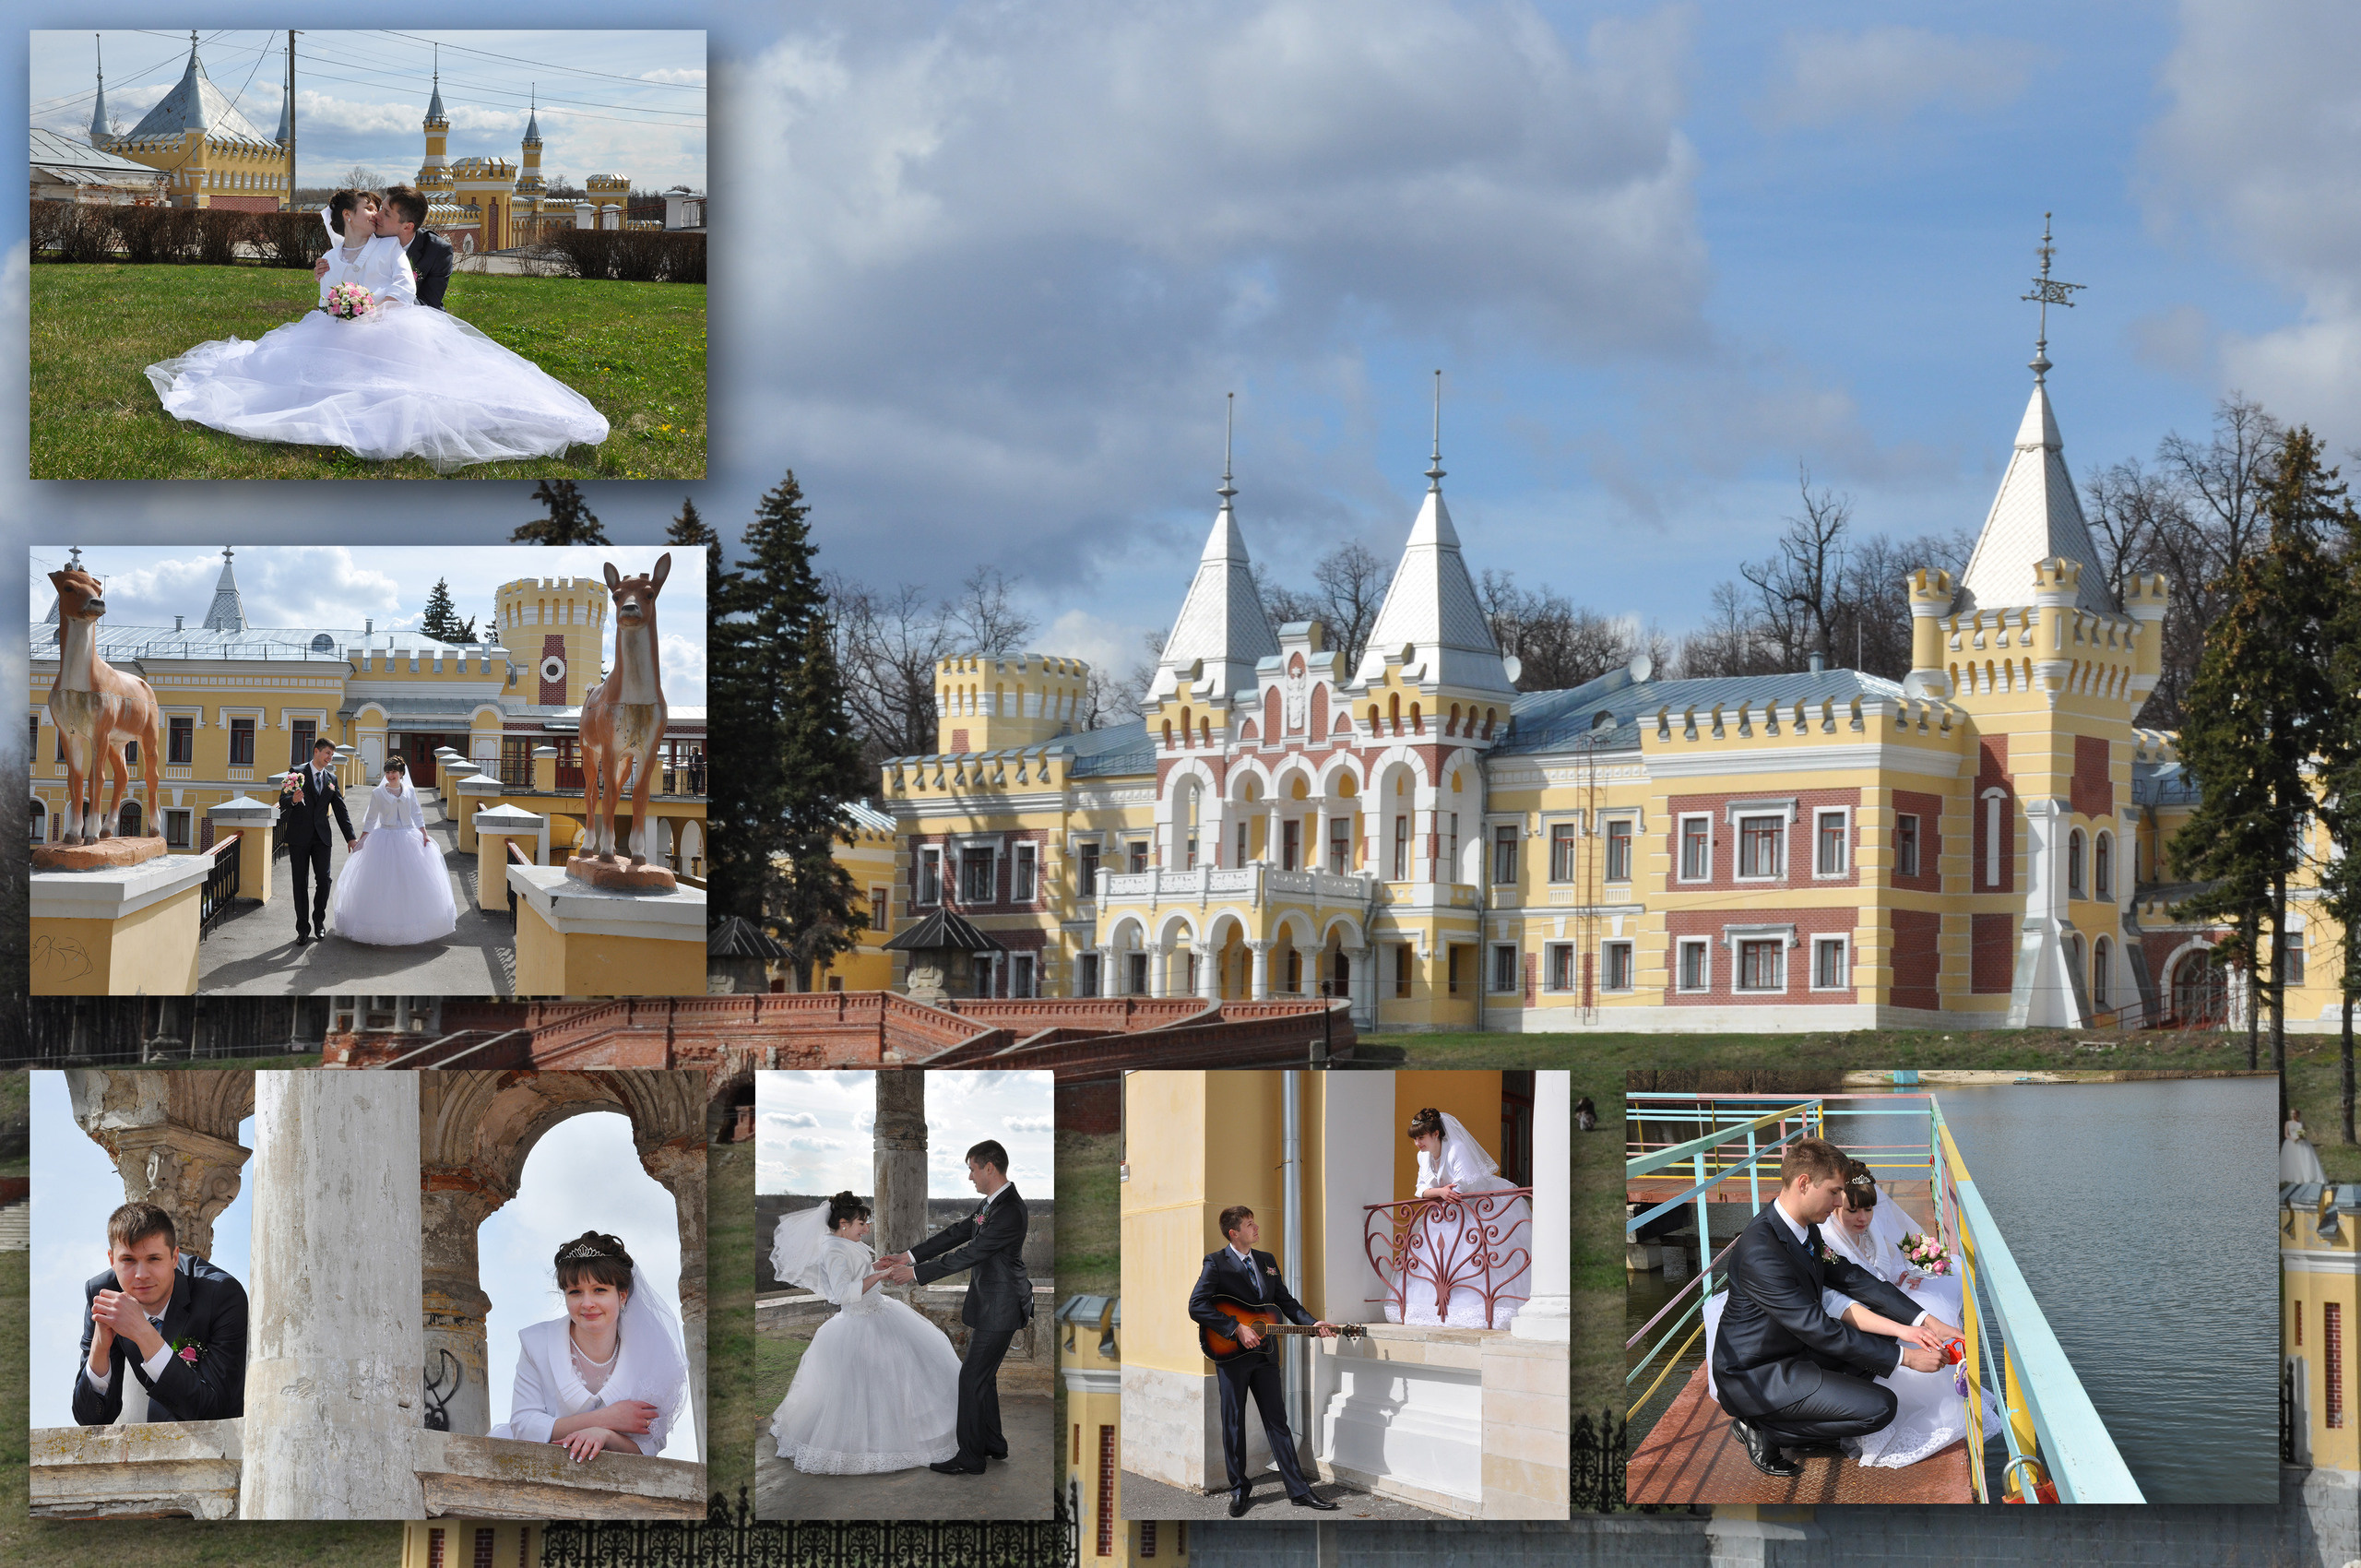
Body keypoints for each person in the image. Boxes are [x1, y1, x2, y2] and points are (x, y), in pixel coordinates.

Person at [145, 187, 610, 472]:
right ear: (347, 217)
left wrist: (367, 305)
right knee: (286, 378)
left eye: (378, 210)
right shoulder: (330, 258)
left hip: (387, 328)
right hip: (333, 330)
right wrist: (338, 298)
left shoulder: (389, 249)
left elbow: (405, 291)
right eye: (368, 209)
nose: (374, 215)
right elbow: (326, 299)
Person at [1707, 1158, 1997, 1470]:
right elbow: (1818, 1328)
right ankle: (1762, 1428)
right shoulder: (1761, 1251)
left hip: (1795, 1349)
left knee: (1883, 1336)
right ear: (1804, 1183)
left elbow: (1854, 1279)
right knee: (1880, 1409)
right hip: (1758, 1373)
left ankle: (1809, 1416)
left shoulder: (1803, 1228)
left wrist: (1927, 1321)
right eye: (1834, 1192)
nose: (1837, 1203)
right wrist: (1907, 1358)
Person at [768, 1191, 964, 1474]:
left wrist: (875, 1266)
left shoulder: (844, 1242)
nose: (866, 1229)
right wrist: (880, 1275)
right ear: (844, 1223)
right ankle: (874, 1440)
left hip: (879, 1311)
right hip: (859, 1322)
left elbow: (854, 1274)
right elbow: (843, 1293)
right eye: (862, 1224)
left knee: (895, 1377)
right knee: (868, 1384)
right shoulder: (833, 1249)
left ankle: (896, 1429)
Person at [873, 1140, 1033, 1475]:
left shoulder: (1009, 1210)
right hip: (992, 1304)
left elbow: (970, 1253)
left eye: (972, 1169)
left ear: (989, 1167)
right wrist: (909, 1256)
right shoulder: (991, 1203)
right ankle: (993, 1443)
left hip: (1001, 1306)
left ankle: (971, 1457)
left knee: (971, 1378)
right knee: (983, 1378)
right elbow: (956, 1233)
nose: (970, 1177)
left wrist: (916, 1274)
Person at [1186, 1205, 1341, 1516]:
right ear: (1234, 1233)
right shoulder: (1216, 1263)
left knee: (1278, 1421)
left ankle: (1299, 1490)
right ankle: (1239, 1490)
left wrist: (1312, 1323)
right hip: (1232, 1356)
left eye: (1254, 1222)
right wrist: (1235, 1328)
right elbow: (1197, 1305)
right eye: (1249, 1224)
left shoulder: (1267, 1260)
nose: (1256, 1228)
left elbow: (1285, 1300)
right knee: (1233, 1423)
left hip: (1266, 1354)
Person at [490, 1232, 688, 1463]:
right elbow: (523, 1426)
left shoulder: (650, 1353)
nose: (587, 1303)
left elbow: (651, 1445)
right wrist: (606, 1418)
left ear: (622, 1296)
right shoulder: (536, 1343)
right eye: (575, 1292)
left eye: (599, 1290)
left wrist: (605, 1435)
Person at [73, 1203, 247, 1426]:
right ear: (111, 1260)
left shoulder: (221, 1295)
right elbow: (91, 1419)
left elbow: (215, 1409)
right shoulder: (103, 1294)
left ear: (174, 1257)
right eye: (128, 1260)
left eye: (154, 1259)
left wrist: (143, 1333)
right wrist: (100, 1348)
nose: (141, 1275)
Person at [1381, 1106, 1531, 1328]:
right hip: (1443, 1214)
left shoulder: (1456, 1149)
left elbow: (1464, 1186)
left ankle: (1482, 1307)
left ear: (1436, 1134)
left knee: (1474, 1260)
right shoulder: (1423, 1157)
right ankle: (1439, 1309)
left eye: (1421, 1138)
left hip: (1474, 1210)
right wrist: (1441, 1192)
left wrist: (1439, 1192)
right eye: (1415, 1139)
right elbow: (1420, 1190)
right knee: (1436, 1261)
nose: (1417, 1143)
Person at [325, 754, 458, 946]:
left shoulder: (410, 791)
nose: (390, 775)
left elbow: (417, 814)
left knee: (409, 883)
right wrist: (361, 840)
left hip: (409, 838)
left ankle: (411, 926)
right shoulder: (377, 793)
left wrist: (424, 834)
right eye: (387, 772)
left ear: (402, 773)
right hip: (384, 838)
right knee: (384, 884)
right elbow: (371, 819)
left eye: (394, 771)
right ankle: (381, 927)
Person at [278, 736, 355, 948]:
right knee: (300, 883)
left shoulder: (331, 779)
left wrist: (351, 838)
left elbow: (340, 810)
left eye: (332, 754)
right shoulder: (296, 773)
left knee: (325, 879)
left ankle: (318, 920)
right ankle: (303, 929)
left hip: (322, 838)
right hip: (299, 837)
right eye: (327, 753)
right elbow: (283, 800)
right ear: (316, 751)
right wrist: (293, 800)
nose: (330, 758)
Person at [2284, 1108, 2328, 1185]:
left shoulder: (2302, 1123)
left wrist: (2301, 1137)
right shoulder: (2288, 1123)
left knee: (2304, 1159)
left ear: (2298, 1114)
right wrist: (2293, 1139)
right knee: (2293, 1160)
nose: (2293, 1115)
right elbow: (2286, 1134)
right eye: (2292, 1113)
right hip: (2291, 1142)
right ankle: (2294, 1176)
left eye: (2294, 1113)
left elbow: (2304, 1133)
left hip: (2302, 1142)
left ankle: (2305, 1176)